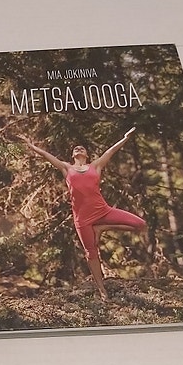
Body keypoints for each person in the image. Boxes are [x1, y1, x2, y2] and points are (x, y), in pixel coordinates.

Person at [20, 127, 147, 300]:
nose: (78, 149)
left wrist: (125, 138)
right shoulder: (66, 168)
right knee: (91, 253)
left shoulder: (95, 166)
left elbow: (111, 151)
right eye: (75, 149)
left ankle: (102, 227)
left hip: (103, 210)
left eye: (82, 148)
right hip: (83, 219)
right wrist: (31, 146)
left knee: (140, 224)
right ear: (72, 155)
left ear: (87, 155)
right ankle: (102, 290)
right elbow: (47, 156)